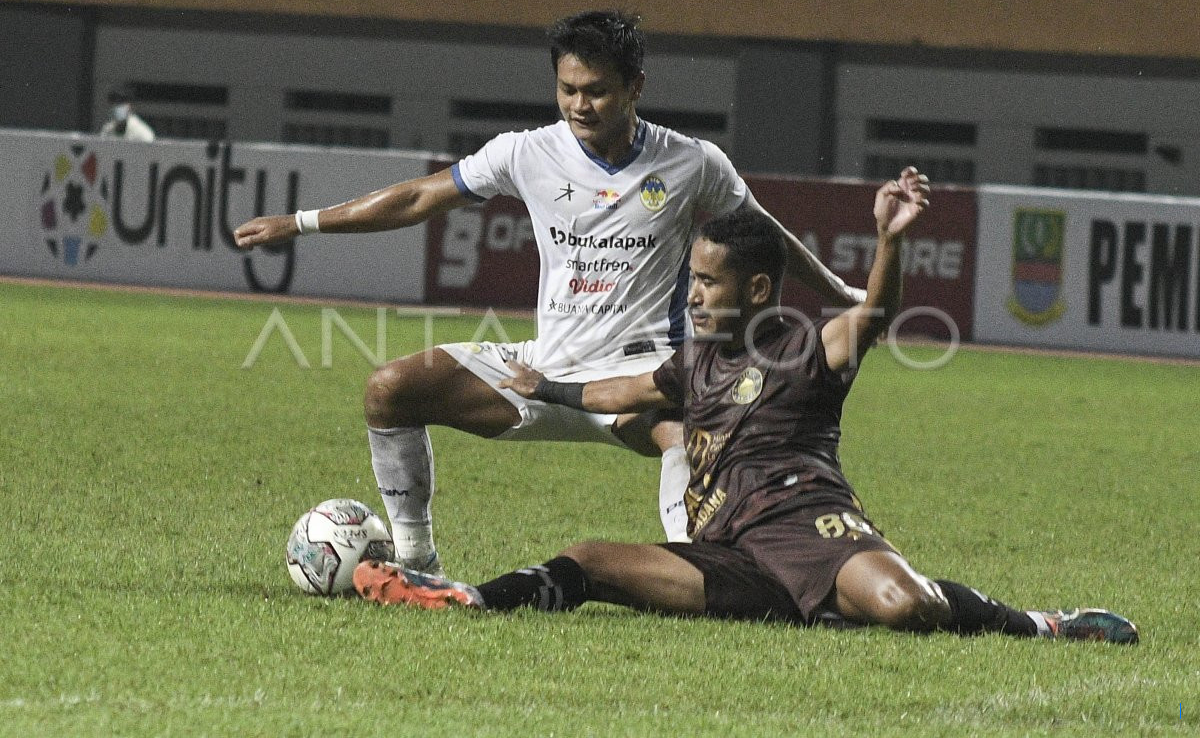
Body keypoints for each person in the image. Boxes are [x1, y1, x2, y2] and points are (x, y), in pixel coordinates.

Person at [351, 168, 1139, 645]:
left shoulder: (809, 346)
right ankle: (466, 598)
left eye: (707, 283)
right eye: (690, 280)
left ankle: (1044, 623)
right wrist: (540, 387)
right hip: (724, 548)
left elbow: (876, 316)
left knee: (906, 606)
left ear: (757, 288)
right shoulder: (691, 360)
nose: (692, 294)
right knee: (591, 560)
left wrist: (889, 243)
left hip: (809, 529)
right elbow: (609, 393)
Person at [234, 10, 863, 573]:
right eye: (567, 90)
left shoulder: (691, 163)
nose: (579, 105)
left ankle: (697, 572)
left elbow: (764, 239)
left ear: (634, 87)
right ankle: (416, 558)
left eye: (596, 91)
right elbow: (421, 196)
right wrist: (300, 222)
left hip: (642, 375)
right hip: (543, 369)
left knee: (686, 437)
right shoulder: (526, 153)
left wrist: (840, 291)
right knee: (390, 389)